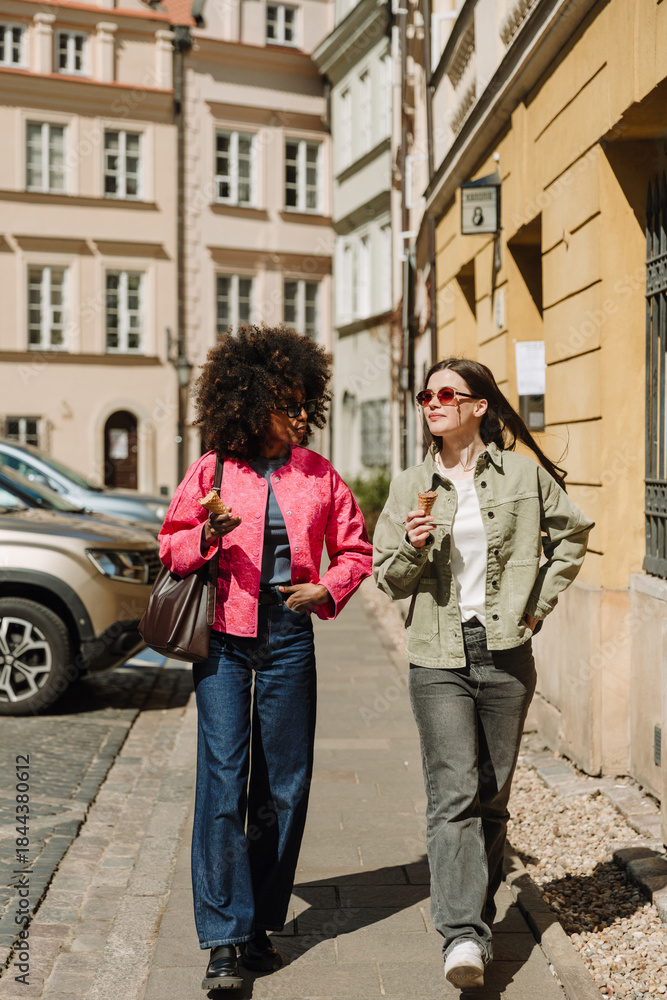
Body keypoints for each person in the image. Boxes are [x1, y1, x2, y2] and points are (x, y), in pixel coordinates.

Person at [158, 325, 372, 991]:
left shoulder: (318, 474)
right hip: (223, 636)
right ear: (248, 403)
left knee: (284, 786)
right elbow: (169, 547)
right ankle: (222, 938)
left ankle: (256, 924)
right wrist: (206, 534)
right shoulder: (215, 469)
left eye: (303, 399)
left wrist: (327, 587)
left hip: (288, 636)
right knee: (223, 782)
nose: (298, 411)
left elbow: (356, 552)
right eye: (285, 400)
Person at [373, 358, 593, 990]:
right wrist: (413, 547)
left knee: (492, 795)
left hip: (505, 652)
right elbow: (388, 579)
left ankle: (478, 910)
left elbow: (572, 536)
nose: (433, 403)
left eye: (447, 393)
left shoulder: (522, 475)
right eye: (427, 395)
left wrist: (537, 603)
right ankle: (462, 934)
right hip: (437, 654)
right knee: (454, 793)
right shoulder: (411, 483)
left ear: (478, 406)